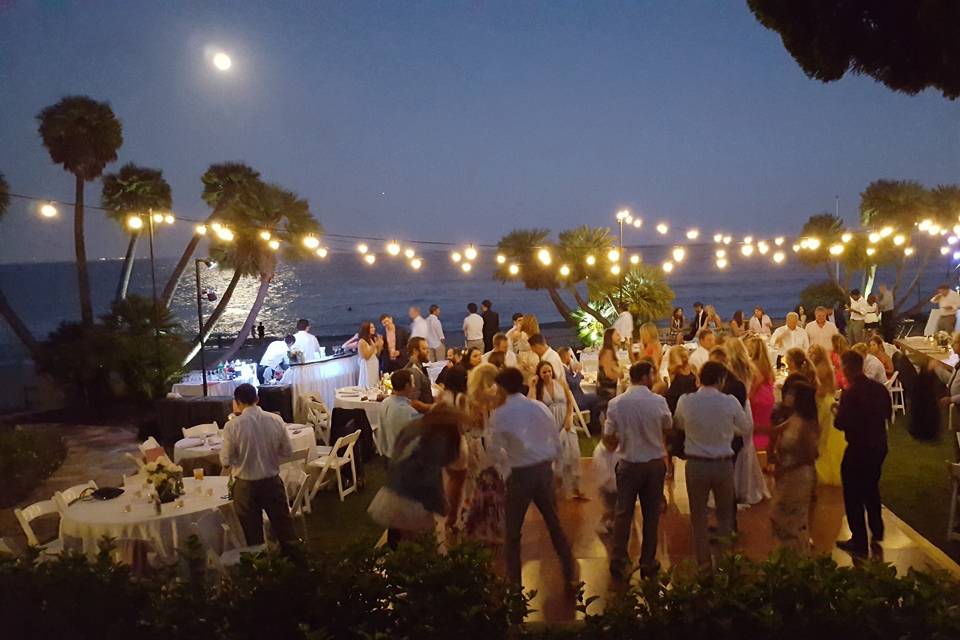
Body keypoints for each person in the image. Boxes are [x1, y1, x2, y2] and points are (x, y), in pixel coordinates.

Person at [488, 367, 575, 589]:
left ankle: (514, 580)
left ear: (502, 388)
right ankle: (569, 571)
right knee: (554, 523)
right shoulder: (538, 407)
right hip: (543, 470)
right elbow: (554, 438)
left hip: (520, 474)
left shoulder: (500, 414)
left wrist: (506, 471)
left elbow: (494, 450)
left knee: (513, 531)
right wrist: (556, 468)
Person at [673, 362, 751, 567]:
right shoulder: (730, 402)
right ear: (720, 380)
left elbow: (679, 424)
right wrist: (725, 431)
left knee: (698, 517)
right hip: (723, 464)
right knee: (725, 515)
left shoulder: (686, 401)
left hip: (696, 464)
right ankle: (724, 562)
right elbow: (745, 428)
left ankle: (703, 563)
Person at [604, 361, 672, 579]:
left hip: (628, 462)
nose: (654, 377)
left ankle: (618, 560)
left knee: (623, 513)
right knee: (651, 514)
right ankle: (647, 561)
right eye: (652, 373)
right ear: (645, 377)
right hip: (653, 463)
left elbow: (608, 436)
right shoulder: (658, 401)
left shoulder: (616, 403)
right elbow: (668, 426)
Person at [367, 408, 463, 548]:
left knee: (397, 538)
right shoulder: (435, 449)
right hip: (412, 502)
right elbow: (430, 483)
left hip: (394, 492)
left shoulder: (415, 434)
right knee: (415, 544)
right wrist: (442, 507)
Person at [220, 384, 297, 548]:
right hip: (272, 482)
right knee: (285, 530)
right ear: (257, 399)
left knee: (252, 535)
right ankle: (296, 565)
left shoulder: (232, 426)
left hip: (246, 485)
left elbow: (225, 460)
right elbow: (288, 451)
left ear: (237, 402)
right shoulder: (276, 420)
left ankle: (259, 568)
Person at [835, 351, 892, 556]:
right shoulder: (878, 389)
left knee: (853, 495)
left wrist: (838, 411)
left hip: (859, 448)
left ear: (848, 368)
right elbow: (887, 412)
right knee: (871, 487)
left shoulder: (850, 393)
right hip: (879, 446)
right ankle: (877, 530)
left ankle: (859, 540)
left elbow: (840, 424)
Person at [769, 380, 820, 550]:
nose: (787, 396)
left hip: (798, 477)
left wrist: (783, 469)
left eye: (791, 393)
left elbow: (809, 456)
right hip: (788, 475)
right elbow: (775, 431)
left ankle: (797, 555)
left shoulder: (806, 424)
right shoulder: (794, 418)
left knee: (791, 519)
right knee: (780, 516)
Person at [461, 363, 507, 544]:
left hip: (484, 446)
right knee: (486, 488)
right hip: (480, 447)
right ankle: (484, 527)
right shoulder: (475, 402)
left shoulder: (484, 400)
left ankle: (487, 527)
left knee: (488, 488)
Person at [529, 361, 581, 498]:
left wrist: (569, 417)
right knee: (553, 458)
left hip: (565, 421)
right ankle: (555, 487)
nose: (547, 374)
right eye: (544, 372)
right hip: (549, 424)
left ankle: (576, 486)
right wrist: (532, 385)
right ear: (539, 374)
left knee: (573, 453)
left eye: (549, 371)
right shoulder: (539, 388)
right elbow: (532, 404)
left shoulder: (561, 384)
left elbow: (570, 402)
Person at [808, 345, 845, 486]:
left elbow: (821, 390)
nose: (810, 355)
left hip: (823, 403)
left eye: (812, 353)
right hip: (826, 401)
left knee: (824, 436)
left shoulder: (821, 369)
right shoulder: (822, 366)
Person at [378, 369, 421, 459]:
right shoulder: (407, 411)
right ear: (407, 386)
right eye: (412, 383)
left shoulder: (385, 402)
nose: (414, 386)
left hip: (387, 452)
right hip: (404, 458)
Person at [745, 336, 776, 452]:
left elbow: (756, 382)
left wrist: (748, 397)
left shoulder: (752, 365)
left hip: (757, 399)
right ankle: (766, 450)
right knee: (766, 425)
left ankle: (757, 452)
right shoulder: (766, 363)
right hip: (768, 398)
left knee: (756, 427)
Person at [559, 346, 599, 426]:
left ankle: (592, 423)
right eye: (570, 356)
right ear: (566, 356)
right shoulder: (563, 369)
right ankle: (593, 424)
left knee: (595, 396)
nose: (571, 358)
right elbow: (574, 383)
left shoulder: (566, 368)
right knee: (597, 398)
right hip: (577, 400)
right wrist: (578, 372)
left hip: (577, 396)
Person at [405, 336, 435, 412]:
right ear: (415, 351)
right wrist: (434, 407)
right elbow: (413, 402)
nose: (428, 351)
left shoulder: (419, 367)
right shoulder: (413, 371)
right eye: (424, 349)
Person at [664, 345, 697, 414]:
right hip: (681, 399)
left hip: (685, 398)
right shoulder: (674, 369)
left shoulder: (691, 367)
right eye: (683, 356)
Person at [597, 327, 623, 407]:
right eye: (617, 335)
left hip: (609, 389)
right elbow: (608, 374)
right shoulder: (607, 352)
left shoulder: (610, 351)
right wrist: (620, 374)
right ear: (610, 337)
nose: (620, 337)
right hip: (607, 391)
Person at [357, 321, 383, 388]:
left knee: (375, 383)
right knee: (368, 383)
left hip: (374, 364)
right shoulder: (362, 341)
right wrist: (374, 346)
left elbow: (377, 354)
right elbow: (366, 356)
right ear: (366, 329)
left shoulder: (371, 339)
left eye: (374, 327)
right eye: (371, 327)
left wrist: (380, 346)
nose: (374, 328)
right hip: (367, 365)